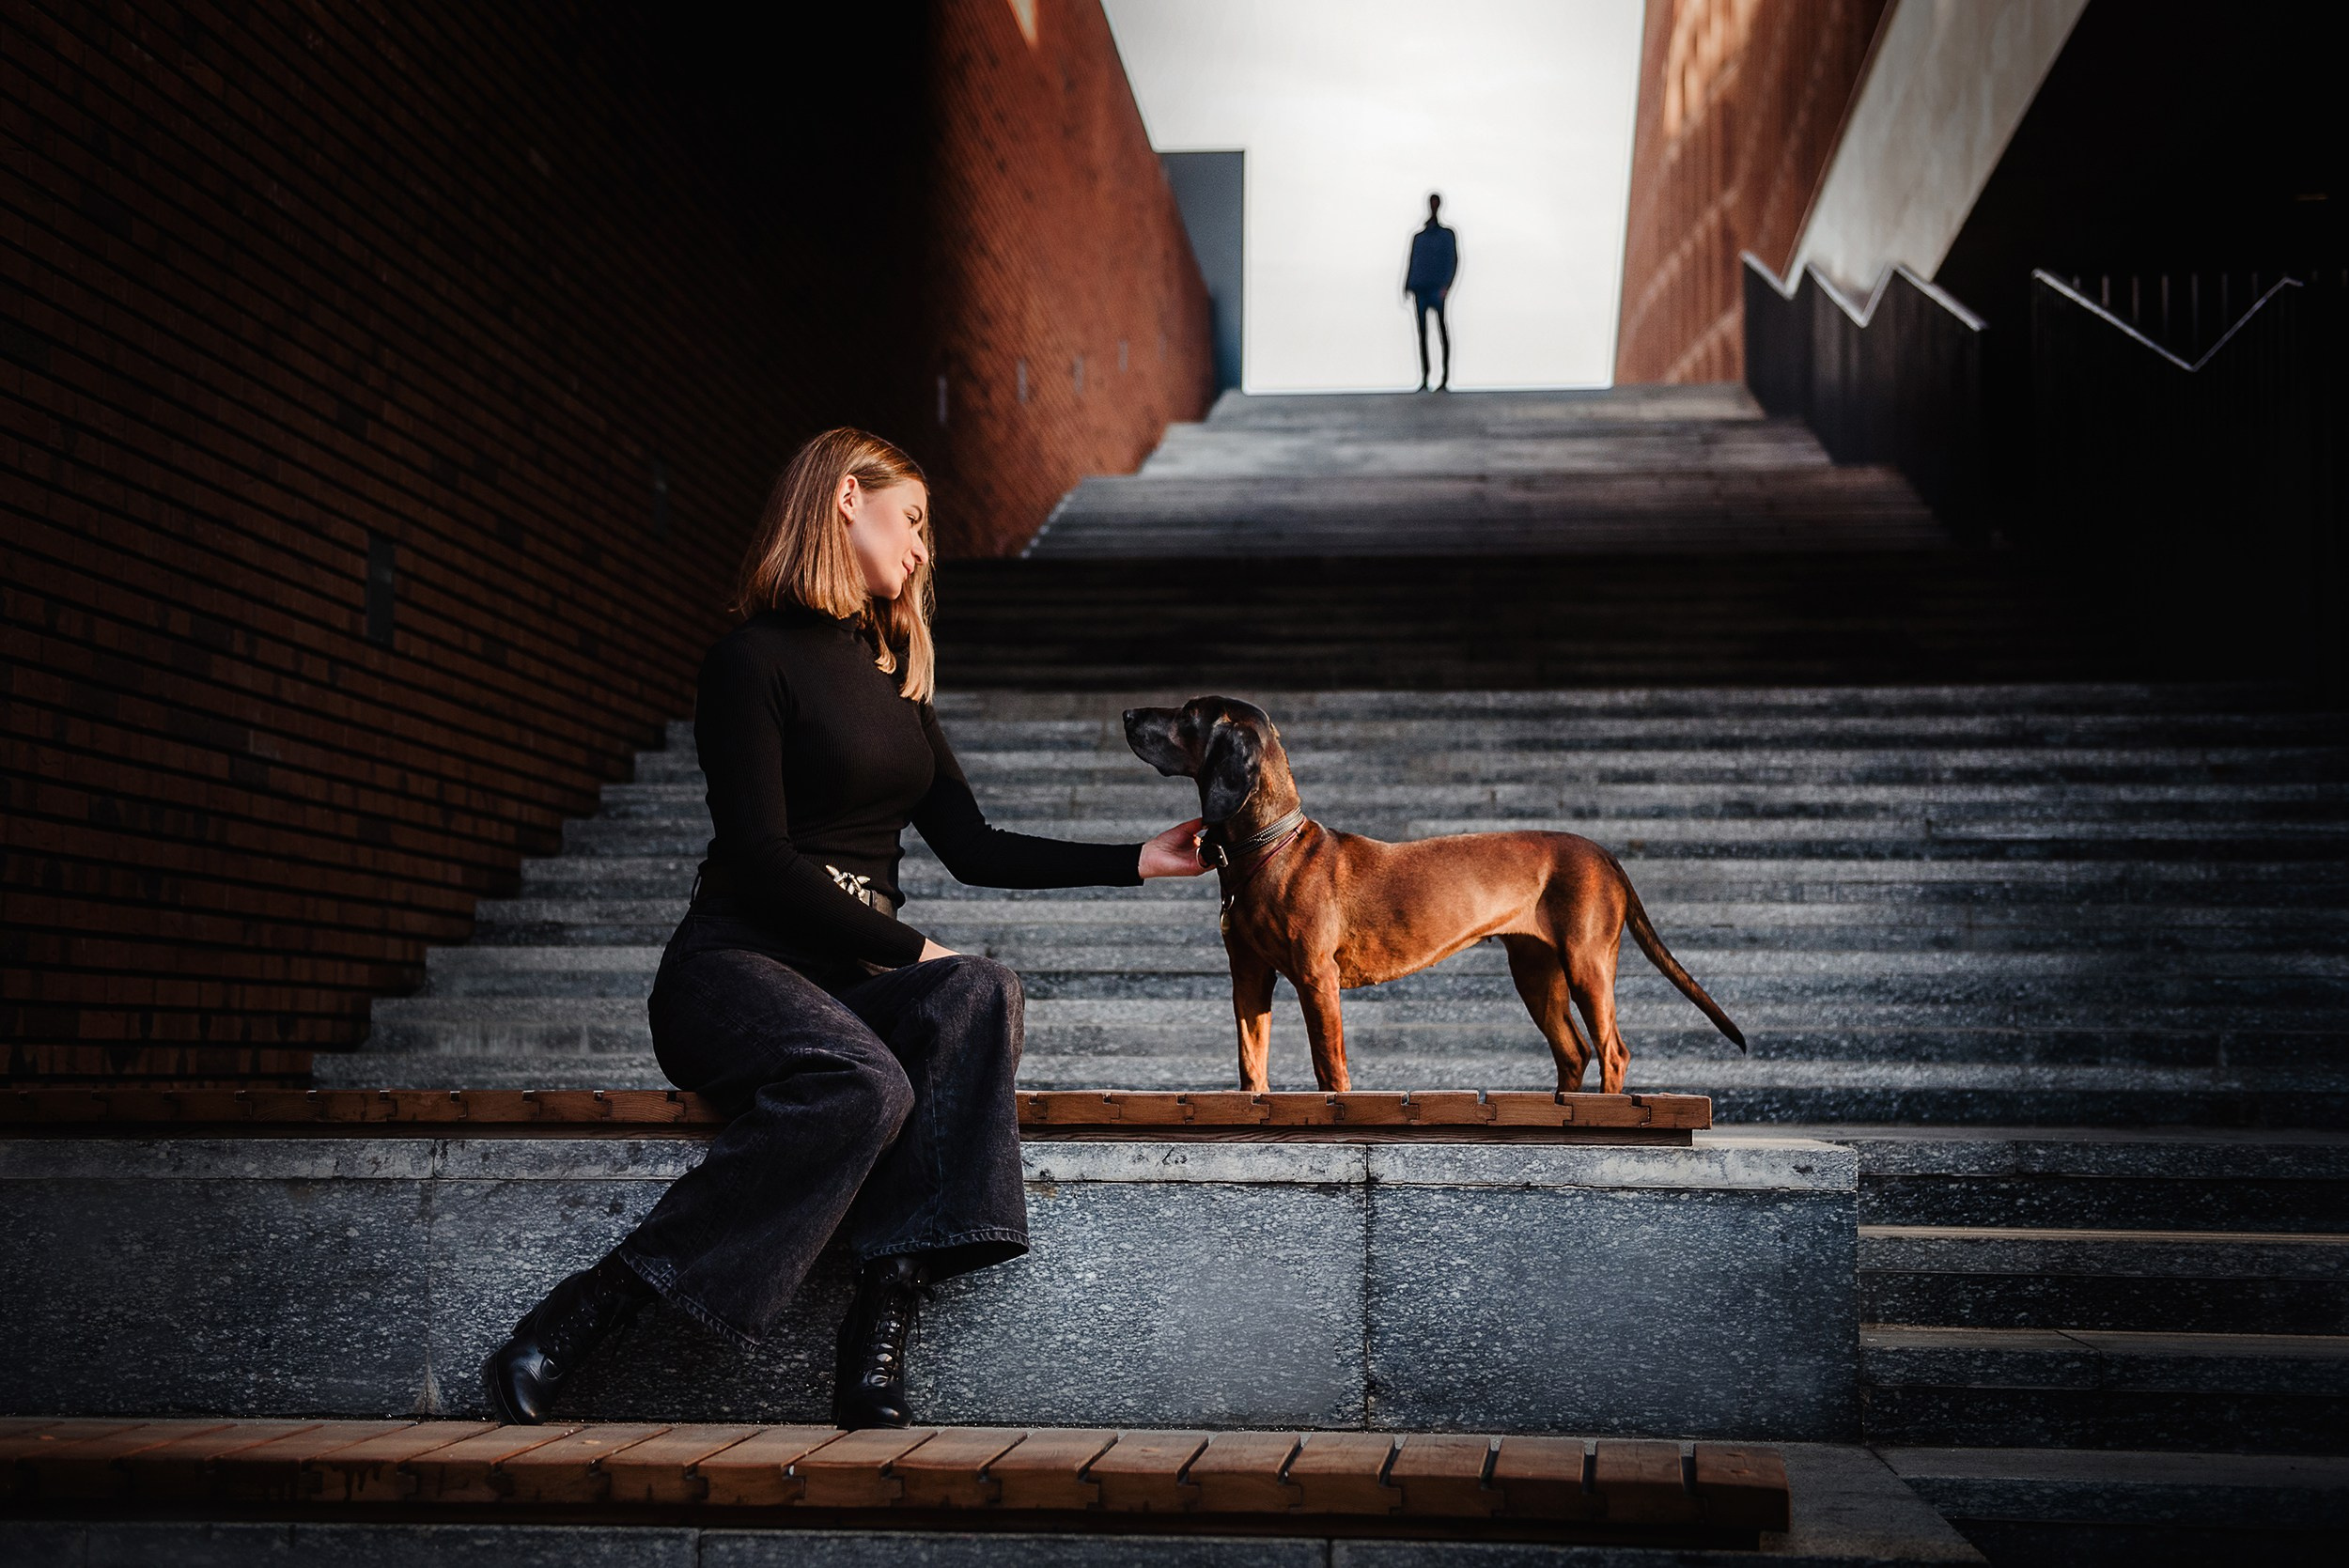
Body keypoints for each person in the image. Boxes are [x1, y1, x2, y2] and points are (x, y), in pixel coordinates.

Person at [482, 427, 1210, 1428]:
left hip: (846, 988)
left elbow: (972, 845)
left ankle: (878, 1322)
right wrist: (911, 946)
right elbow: (760, 860)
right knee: (867, 1081)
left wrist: (1137, 858)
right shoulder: (750, 661)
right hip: (735, 968)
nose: (920, 549)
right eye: (909, 519)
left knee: (979, 988)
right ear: (843, 500)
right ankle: (580, 1315)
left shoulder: (895, 677)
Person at [1405, 194, 1458, 392]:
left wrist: (1447, 285)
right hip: (1420, 288)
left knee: (1441, 332)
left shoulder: (1446, 235)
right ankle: (1425, 377)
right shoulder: (1420, 237)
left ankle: (1444, 377)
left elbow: (1453, 261)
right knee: (1423, 335)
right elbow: (1413, 261)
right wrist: (1408, 284)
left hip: (1437, 289)